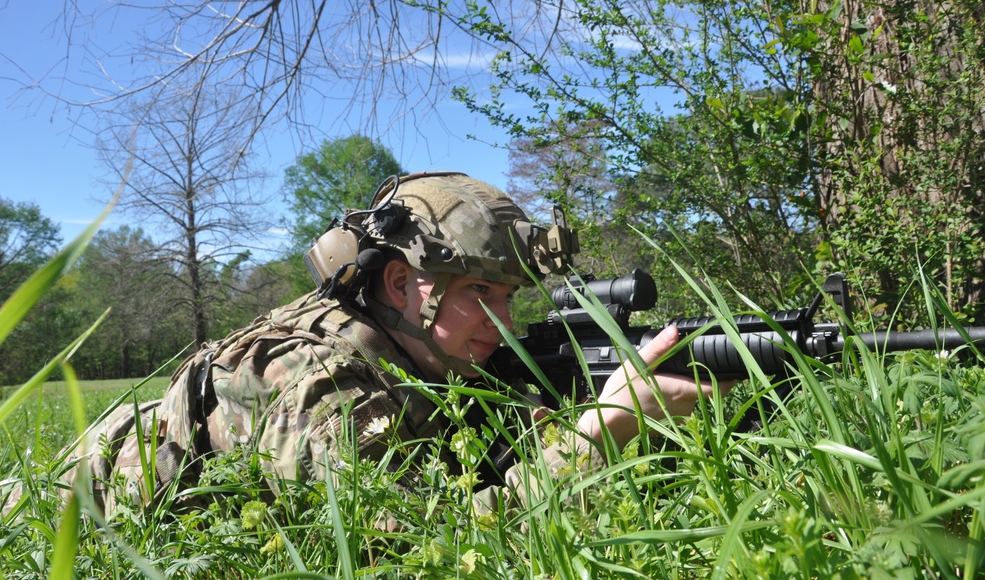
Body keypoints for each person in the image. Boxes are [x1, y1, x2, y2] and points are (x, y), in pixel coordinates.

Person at [53, 171, 721, 516]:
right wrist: (600, 432)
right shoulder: (314, 383)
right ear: (403, 284)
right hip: (50, 525)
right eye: (481, 296)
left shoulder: (436, 360)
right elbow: (426, 546)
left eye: (511, 298)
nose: (507, 324)